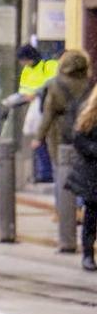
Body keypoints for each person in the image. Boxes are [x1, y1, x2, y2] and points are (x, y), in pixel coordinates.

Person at [36, 50, 90, 253]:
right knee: (83, 174)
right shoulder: (89, 83)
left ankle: (64, 213)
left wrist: (38, 136)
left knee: (62, 176)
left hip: (59, 137)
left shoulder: (56, 84)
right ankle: (81, 209)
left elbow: (48, 112)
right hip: (83, 134)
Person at [66, 83, 97, 272]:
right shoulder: (89, 114)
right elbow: (79, 139)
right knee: (92, 216)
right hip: (93, 175)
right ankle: (87, 254)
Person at [17, 44, 58, 183]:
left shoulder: (49, 65)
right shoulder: (27, 70)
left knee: (46, 138)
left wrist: (36, 93)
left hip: (50, 107)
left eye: (24, 60)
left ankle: (49, 172)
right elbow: (23, 89)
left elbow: (53, 84)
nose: (23, 64)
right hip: (36, 108)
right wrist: (25, 96)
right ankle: (44, 172)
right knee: (38, 139)